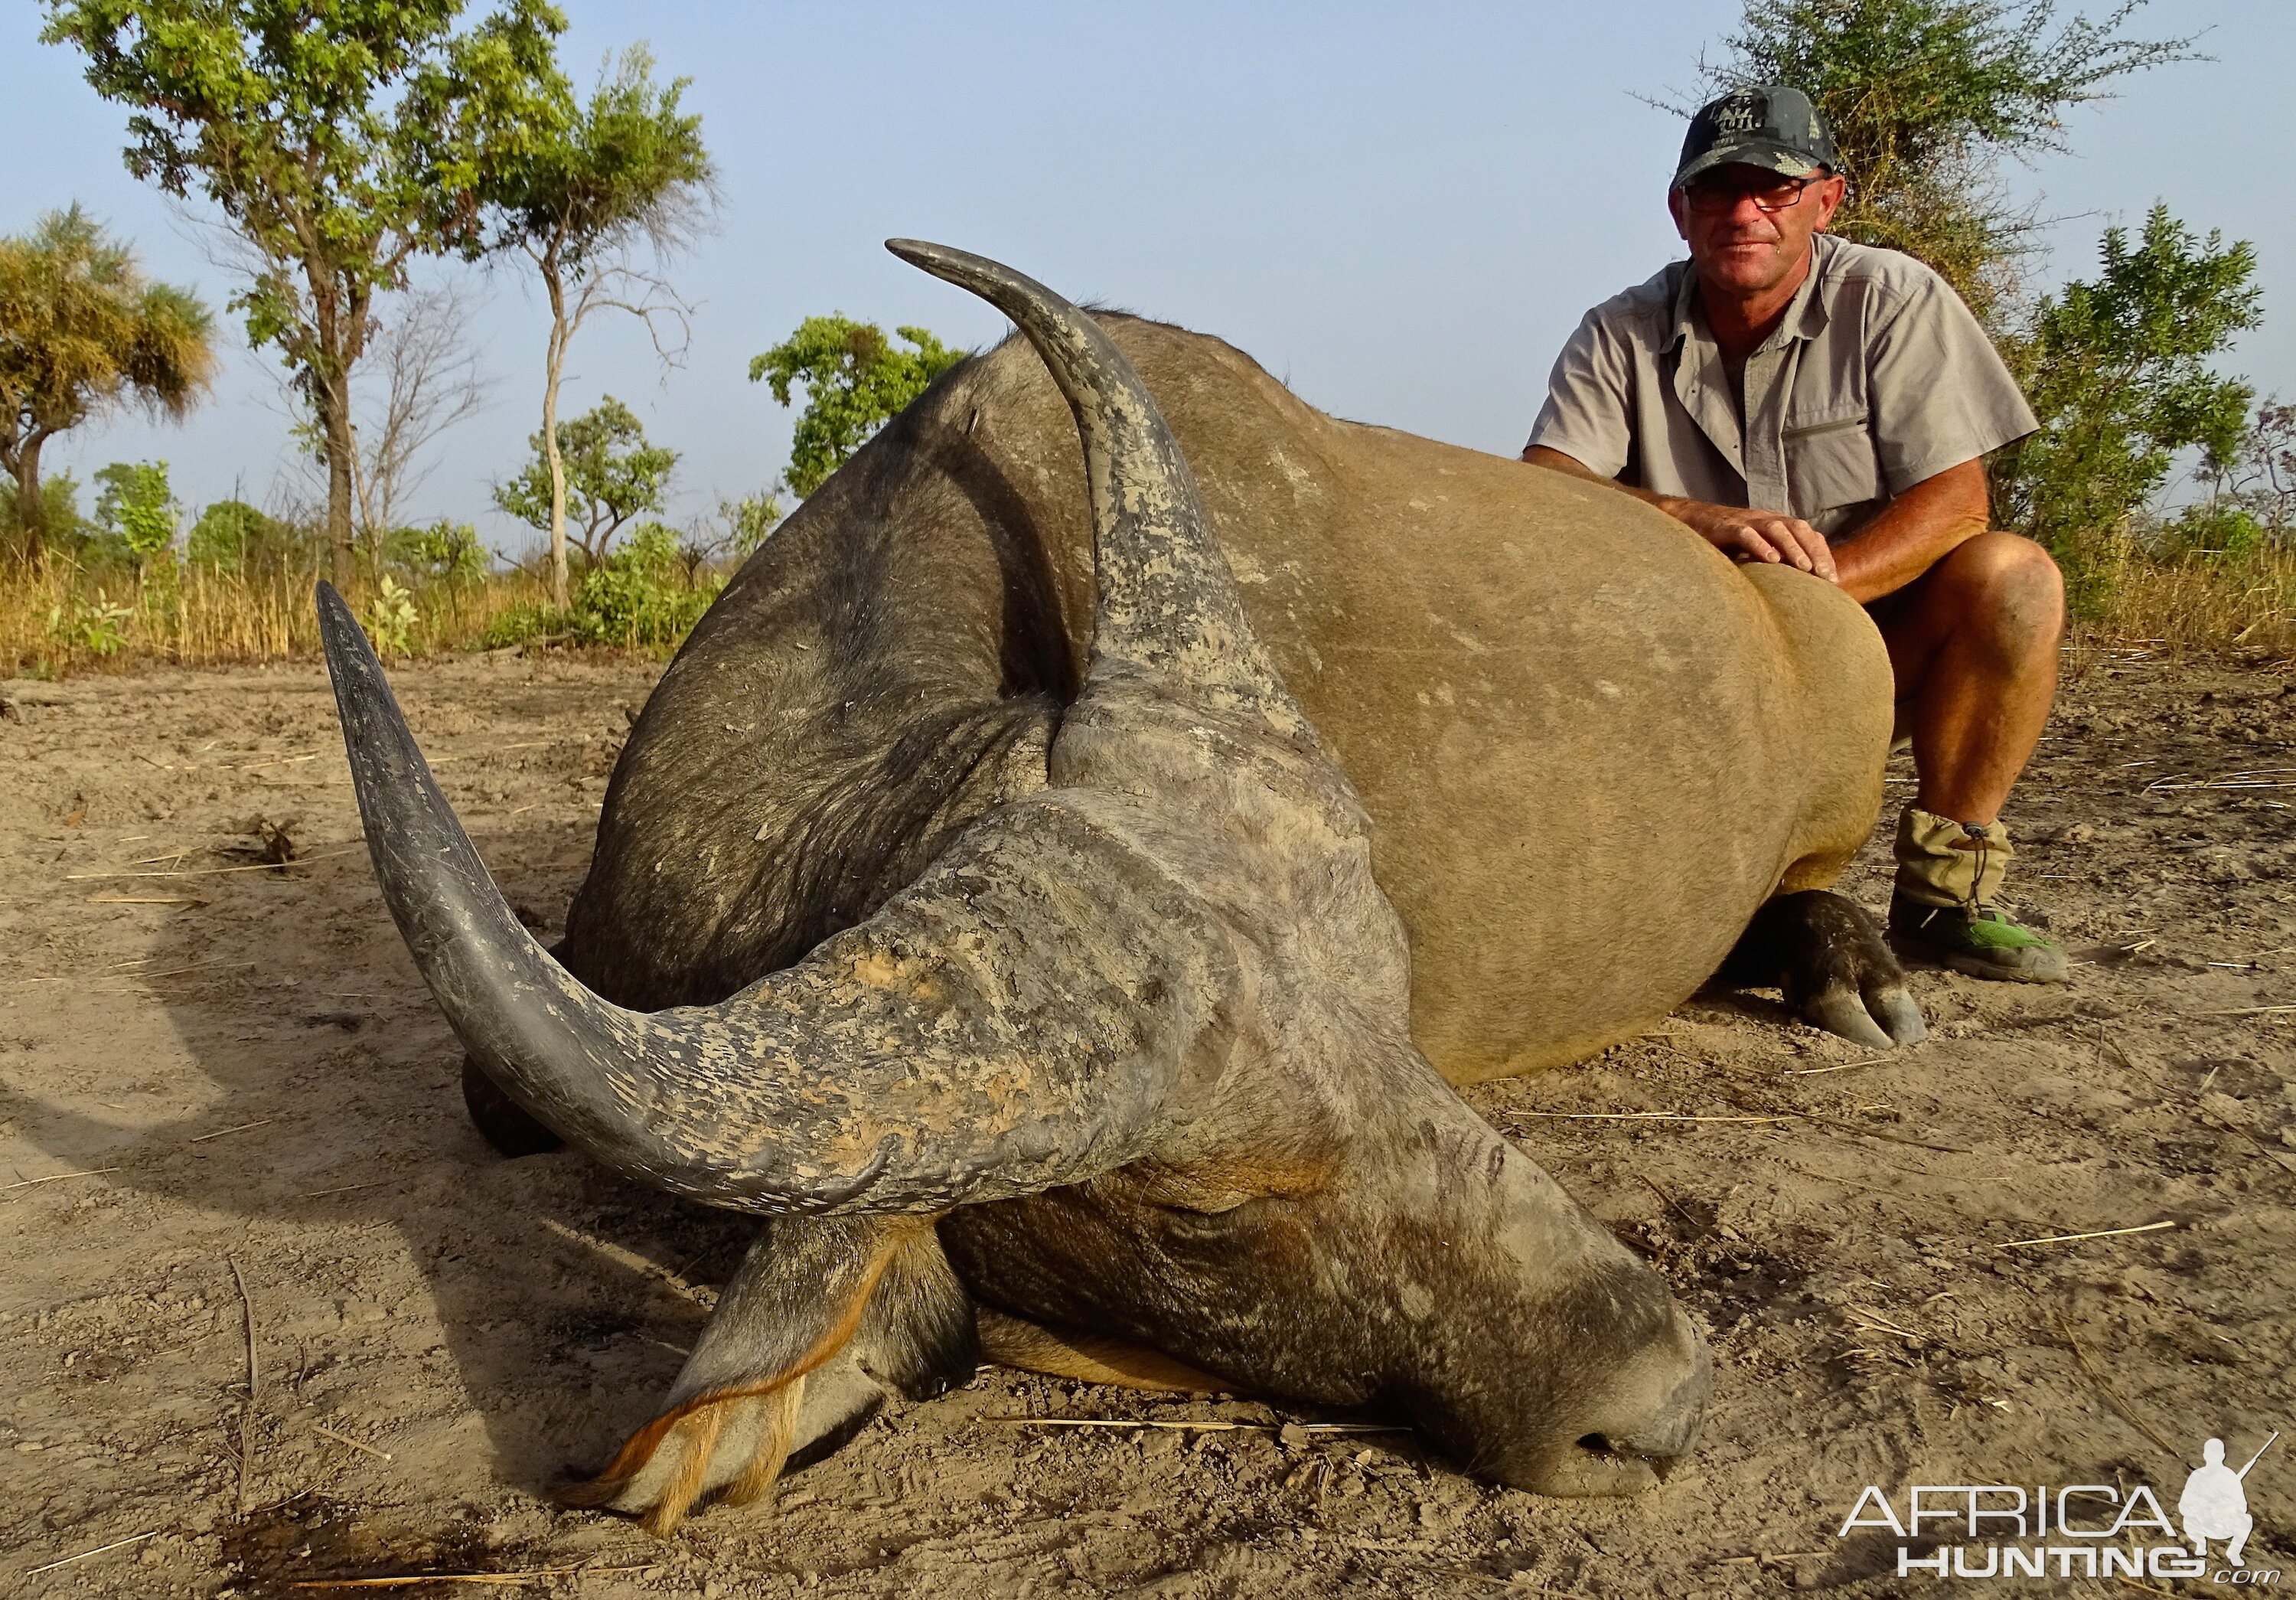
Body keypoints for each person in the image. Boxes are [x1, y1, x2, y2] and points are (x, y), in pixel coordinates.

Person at [1522, 84, 2067, 984]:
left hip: (1871, 647)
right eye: (1716, 191)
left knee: (2014, 577)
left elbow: (1959, 500)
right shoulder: (1619, 330)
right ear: (1679, 210)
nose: (1743, 214)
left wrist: (1816, 606)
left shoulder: (1893, 299)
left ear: (1825, 199)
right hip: (1694, 666)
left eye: (1772, 190)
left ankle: (1948, 892)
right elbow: (1548, 485)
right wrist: (1701, 519)